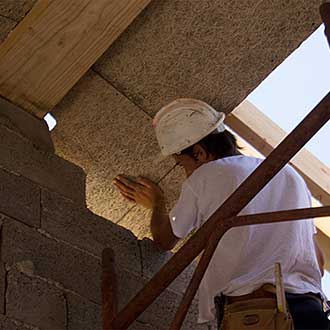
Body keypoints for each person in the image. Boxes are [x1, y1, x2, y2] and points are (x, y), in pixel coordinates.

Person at [113, 98, 329, 329]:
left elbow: (165, 239)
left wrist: (157, 203)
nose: (184, 171)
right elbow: (319, 259)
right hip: (310, 309)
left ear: (199, 153)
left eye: (180, 163)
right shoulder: (288, 175)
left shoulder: (205, 177)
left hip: (256, 316)